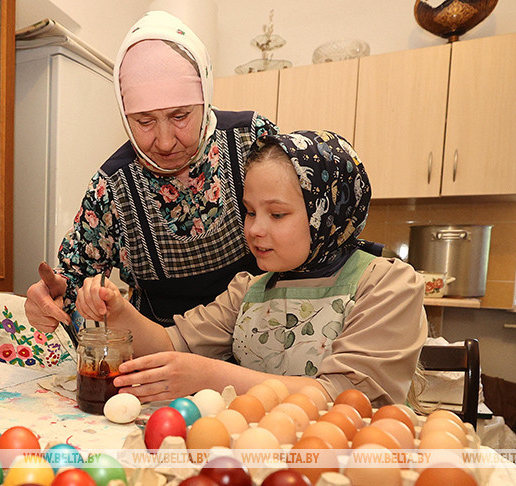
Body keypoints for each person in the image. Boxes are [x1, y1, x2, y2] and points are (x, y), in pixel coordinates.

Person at [75, 130, 428, 407]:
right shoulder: (249, 290)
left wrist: (209, 375)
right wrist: (118, 311)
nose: (255, 229)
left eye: (276, 214)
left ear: (327, 213)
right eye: (250, 211)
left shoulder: (387, 285)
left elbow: (343, 396)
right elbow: (171, 344)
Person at [26, 11, 278, 333]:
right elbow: (72, 280)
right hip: (158, 358)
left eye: (180, 116)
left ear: (206, 98)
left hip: (258, 345)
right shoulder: (112, 187)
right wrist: (54, 295)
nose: (164, 141)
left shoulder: (252, 141)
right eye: (144, 121)